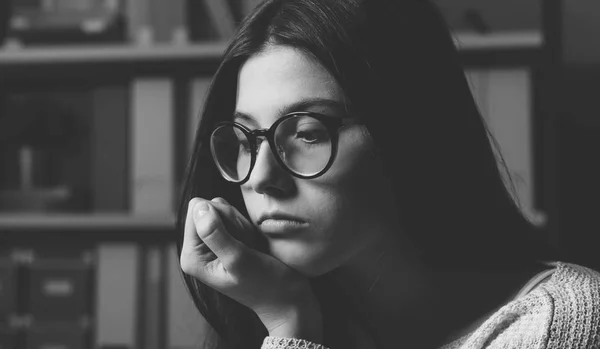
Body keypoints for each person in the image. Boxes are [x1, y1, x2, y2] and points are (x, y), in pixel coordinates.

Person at [175, 0, 600, 348]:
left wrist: (292, 331)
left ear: (407, 131)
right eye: (247, 140)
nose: (260, 177)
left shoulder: (556, 324)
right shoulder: (286, 310)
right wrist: (286, 316)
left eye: (306, 133)